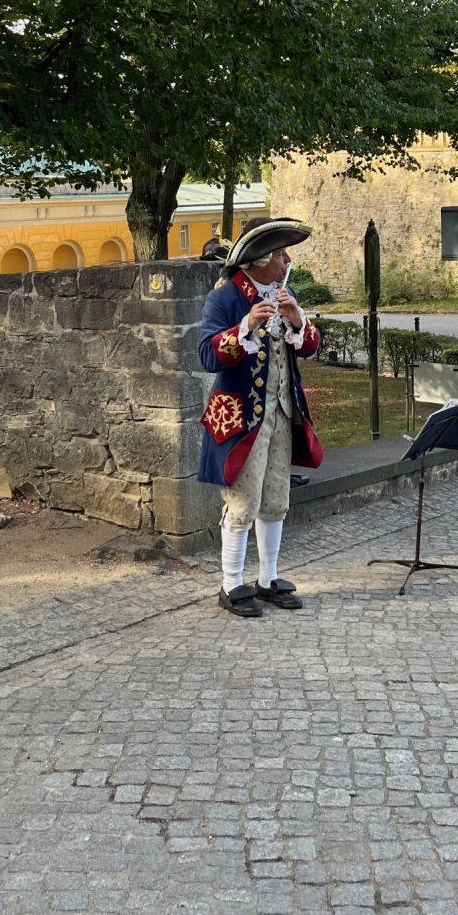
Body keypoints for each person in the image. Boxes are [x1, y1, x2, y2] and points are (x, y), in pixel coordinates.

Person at [198, 216, 324, 617]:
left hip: (283, 413)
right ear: (260, 259)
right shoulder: (225, 298)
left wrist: (297, 321)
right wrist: (245, 327)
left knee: (275, 499)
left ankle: (268, 579)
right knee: (243, 501)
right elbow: (206, 354)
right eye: (282, 253)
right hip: (241, 418)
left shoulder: (285, 293)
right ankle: (231, 583)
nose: (287, 260)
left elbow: (309, 347)